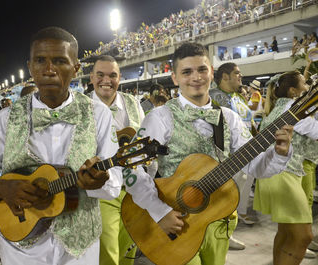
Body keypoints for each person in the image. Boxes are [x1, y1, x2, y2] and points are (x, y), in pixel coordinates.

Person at [125, 42, 293, 265]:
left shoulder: (229, 117)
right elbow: (131, 167)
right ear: (175, 78)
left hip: (219, 220)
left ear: (211, 73)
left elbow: (254, 166)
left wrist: (279, 153)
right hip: (177, 221)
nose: (196, 77)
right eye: (187, 72)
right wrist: (159, 211)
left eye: (202, 70)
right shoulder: (160, 117)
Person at [0, 26, 124, 265]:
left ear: (76, 68)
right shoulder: (5, 119)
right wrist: (1, 190)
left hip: (79, 251)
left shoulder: (98, 114)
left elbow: (115, 180)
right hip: (21, 249)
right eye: (40, 60)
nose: (49, 70)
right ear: (30, 67)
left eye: (60, 61)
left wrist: (98, 181)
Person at [253, 71, 318, 264]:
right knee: (303, 236)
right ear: (293, 91)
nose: (308, 87)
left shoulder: (283, 106)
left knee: (285, 231)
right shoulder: (291, 108)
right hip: (283, 173)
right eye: (305, 84)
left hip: (282, 172)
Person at [89, 55, 145, 265]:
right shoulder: (83, 108)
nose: (107, 80)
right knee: (108, 255)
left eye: (112, 75)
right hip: (102, 191)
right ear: (92, 78)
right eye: (101, 75)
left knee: (128, 252)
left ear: (119, 78)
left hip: (134, 190)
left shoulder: (133, 103)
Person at [210, 62, 256, 249]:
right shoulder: (214, 97)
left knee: (235, 198)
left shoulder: (237, 97)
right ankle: (220, 237)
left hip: (243, 154)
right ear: (225, 76)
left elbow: (248, 122)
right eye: (236, 73)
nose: (240, 76)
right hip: (226, 159)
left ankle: (227, 233)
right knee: (223, 200)